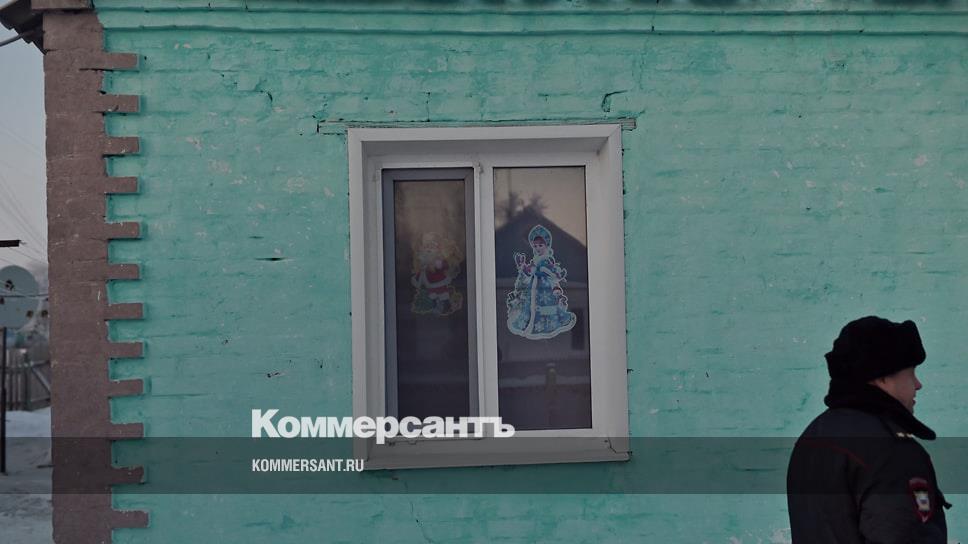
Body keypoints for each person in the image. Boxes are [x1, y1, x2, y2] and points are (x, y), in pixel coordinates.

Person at [787, 316, 950, 543]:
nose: (918, 384)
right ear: (882, 377)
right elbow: (903, 534)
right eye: (911, 372)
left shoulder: (812, 438)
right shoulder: (890, 449)